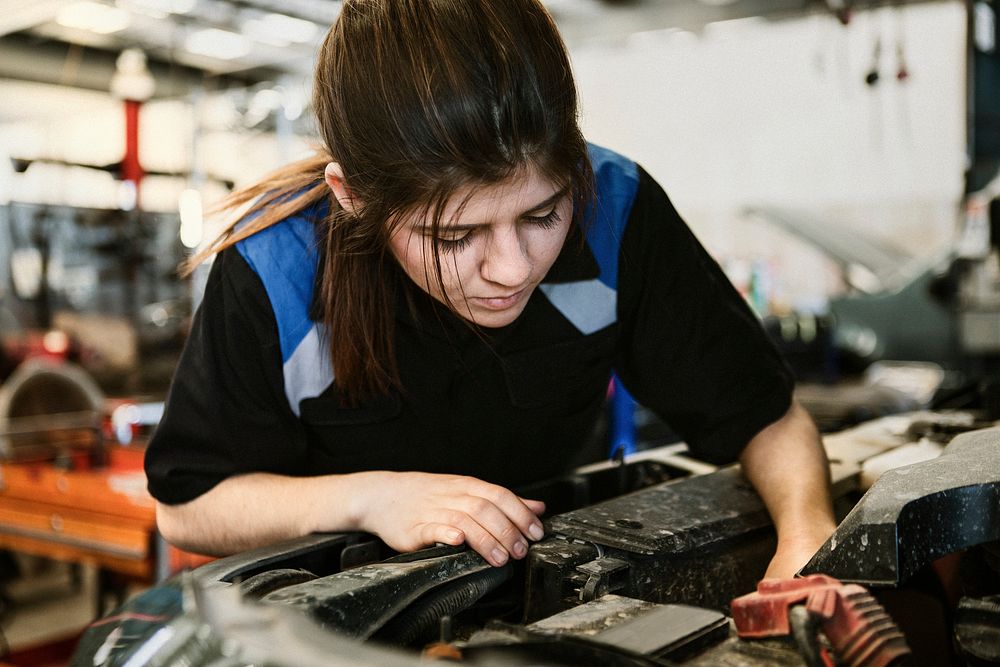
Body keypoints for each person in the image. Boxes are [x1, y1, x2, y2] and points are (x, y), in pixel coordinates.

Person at [146, 0, 836, 579]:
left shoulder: (617, 209)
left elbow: (764, 414)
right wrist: (372, 499)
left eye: (543, 214)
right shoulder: (276, 267)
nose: (512, 267)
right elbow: (188, 503)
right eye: (454, 237)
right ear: (353, 196)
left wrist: (806, 536)